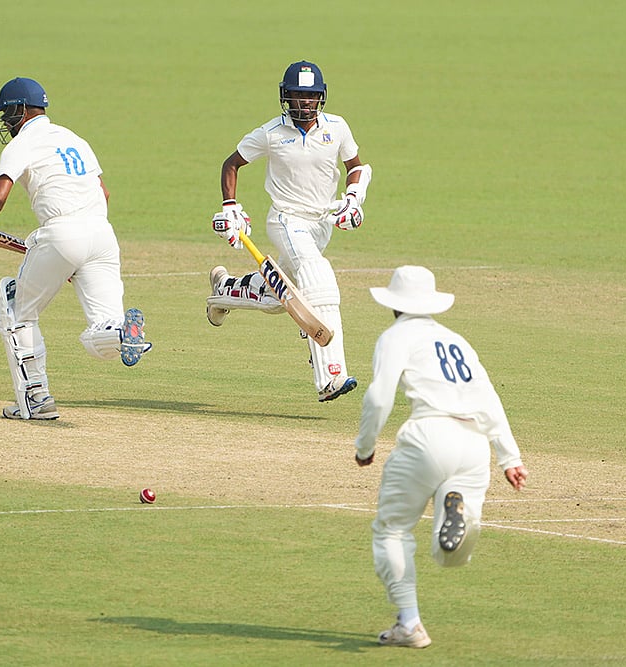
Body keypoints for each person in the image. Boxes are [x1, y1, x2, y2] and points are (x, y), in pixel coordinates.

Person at [354, 266, 529, 648]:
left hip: (428, 435)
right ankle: (458, 512)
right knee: (450, 558)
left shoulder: (395, 336)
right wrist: (509, 458)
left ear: (394, 305)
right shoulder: (456, 340)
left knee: (392, 530)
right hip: (473, 444)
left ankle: (410, 624)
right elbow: (488, 398)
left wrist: (365, 447)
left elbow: (379, 397)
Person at [0, 76, 151, 420]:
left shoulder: (23, 144)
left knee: (15, 307)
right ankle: (123, 334)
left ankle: (36, 400)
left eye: (8, 114)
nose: (5, 122)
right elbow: (103, 193)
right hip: (102, 235)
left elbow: (0, 193)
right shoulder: (74, 139)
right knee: (101, 329)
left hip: (62, 234)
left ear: (22, 110)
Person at [207, 60, 372, 402]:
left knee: (276, 297)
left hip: (322, 223)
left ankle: (223, 290)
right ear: (285, 96)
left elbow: (356, 167)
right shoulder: (271, 133)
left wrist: (353, 201)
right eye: (297, 95)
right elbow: (232, 163)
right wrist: (230, 207)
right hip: (286, 218)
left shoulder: (337, 128)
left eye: (310, 96)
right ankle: (331, 377)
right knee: (319, 278)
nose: (303, 102)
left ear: (320, 97)